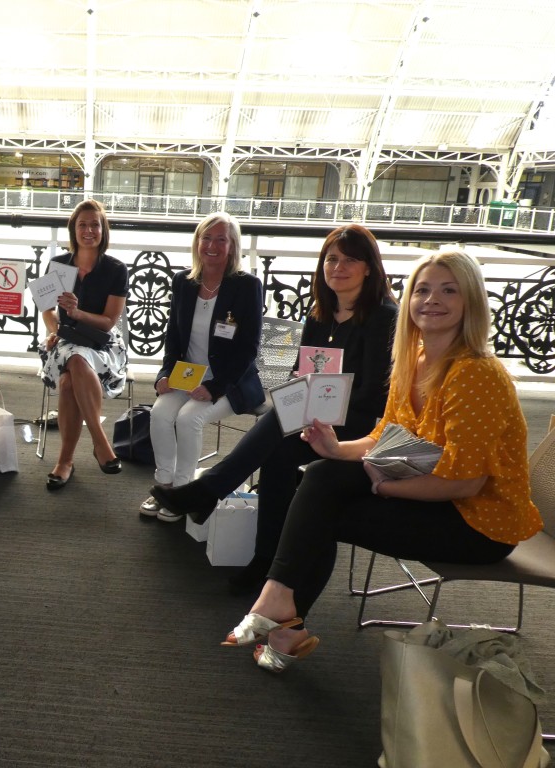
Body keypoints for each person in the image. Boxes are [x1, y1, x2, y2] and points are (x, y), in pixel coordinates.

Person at [223, 249, 542, 673]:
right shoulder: (414, 362)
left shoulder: (477, 373)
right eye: (422, 290)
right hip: (430, 491)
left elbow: (465, 484)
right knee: (322, 476)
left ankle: (280, 610)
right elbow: (383, 436)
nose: (432, 299)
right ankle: (284, 618)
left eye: (449, 290)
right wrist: (337, 449)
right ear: (408, 301)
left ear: (471, 302)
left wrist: (384, 486)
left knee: (321, 510)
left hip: (478, 524)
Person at [151, 224, 397, 595]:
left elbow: (376, 396)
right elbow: (304, 373)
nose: (338, 267)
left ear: (369, 267)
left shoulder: (383, 317)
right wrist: (303, 391)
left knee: (278, 424)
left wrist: (321, 400)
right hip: (313, 415)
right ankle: (265, 558)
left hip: (355, 426)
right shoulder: (319, 315)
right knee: (279, 451)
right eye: (331, 259)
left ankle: (212, 492)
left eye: (350, 260)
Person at [140, 212, 263, 516]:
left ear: (233, 246)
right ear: (197, 242)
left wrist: (216, 386)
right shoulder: (183, 281)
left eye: (221, 239)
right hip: (186, 374)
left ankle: (183, 493)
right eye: (206, 238)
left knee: (187, 419)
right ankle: (164, 486)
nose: (211, 245)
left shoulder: (247, 286)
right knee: (159, 414)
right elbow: (173, 336)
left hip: (228, 379)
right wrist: (165, 373)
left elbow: (248, 348)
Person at [39, 199, 129, 490]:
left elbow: (108, 322)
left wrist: (77, 314)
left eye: (95, 224)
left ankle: (65, 461)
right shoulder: (58, 265)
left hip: (102, 344)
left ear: (103, 230)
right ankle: (99, 441)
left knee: (70, 379)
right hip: (66, 340)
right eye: (82, 224)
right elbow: (46, 311)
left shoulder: (115, 269)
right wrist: (56, 330)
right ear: (73, 230)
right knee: (73, 359)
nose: (89, 230)